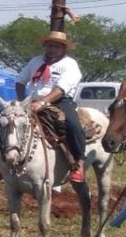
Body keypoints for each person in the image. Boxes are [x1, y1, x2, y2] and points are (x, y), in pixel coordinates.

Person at [18, 29, 86, 182]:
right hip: (31, 100)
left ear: (63, 48)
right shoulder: (35, 61)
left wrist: (43, 102)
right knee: (9, 121)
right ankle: (6, 162)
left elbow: (61, 89)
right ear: (45, 46)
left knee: (73, 124)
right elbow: (20, 80)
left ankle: (79, 163)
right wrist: (22, 101)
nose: (52, 49)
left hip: (60, 101)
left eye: (56, 46)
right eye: (49, 46)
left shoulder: (70, 64)